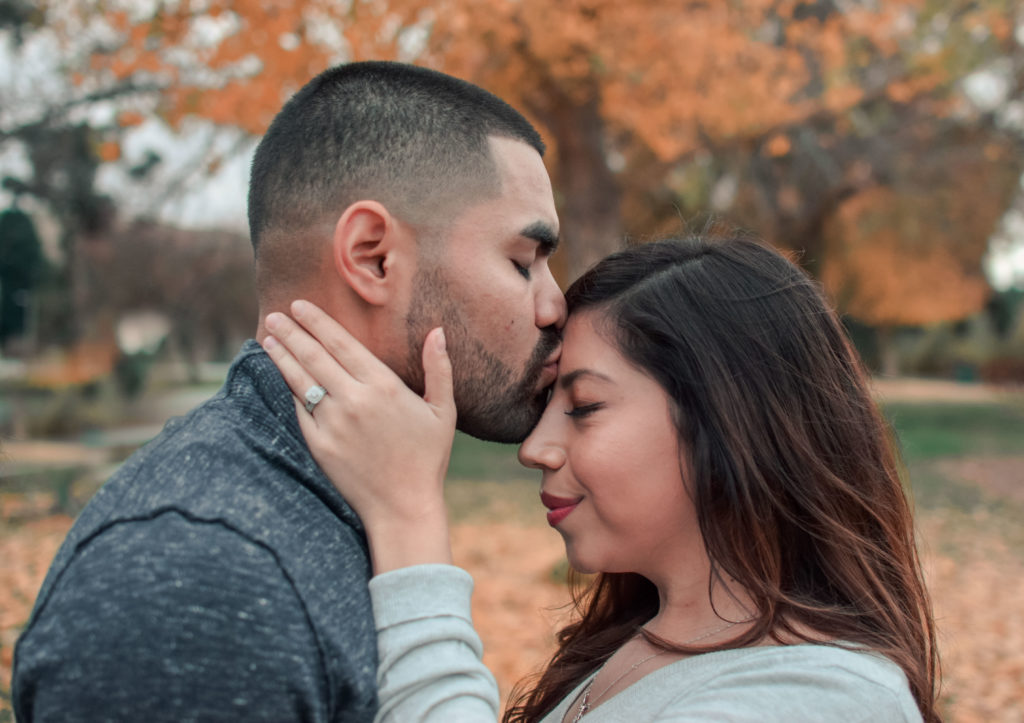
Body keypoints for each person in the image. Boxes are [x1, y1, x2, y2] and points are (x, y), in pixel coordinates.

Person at [12, 61, 565, 722]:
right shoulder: (198, 578)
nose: (556, 304)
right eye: (523, 261)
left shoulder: (331, 507)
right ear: (372, 257)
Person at [262, 234, 940, 722]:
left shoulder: (825, 698)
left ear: (731, 421)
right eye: (547, 404)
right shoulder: (638, 642)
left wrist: (408, 518)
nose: (536, 446)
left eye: (583, 406)